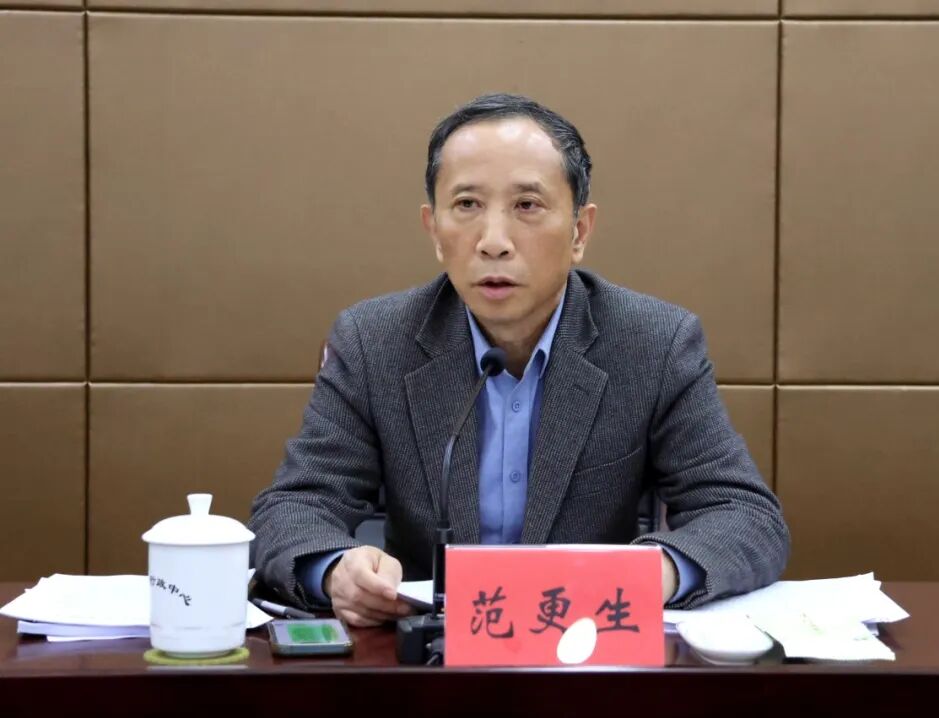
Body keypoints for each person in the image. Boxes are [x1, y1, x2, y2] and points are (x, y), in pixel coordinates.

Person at [249, 93, 789, 627]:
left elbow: (744, 514)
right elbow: (294, 507)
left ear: (579, 232)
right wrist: (335, 570)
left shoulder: (652, 344)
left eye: (527, 206)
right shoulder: (375, 342)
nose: (494, 242)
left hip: (584, 648)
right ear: (434, 230)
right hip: (429, 653)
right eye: (467, 205)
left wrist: (652, 573)